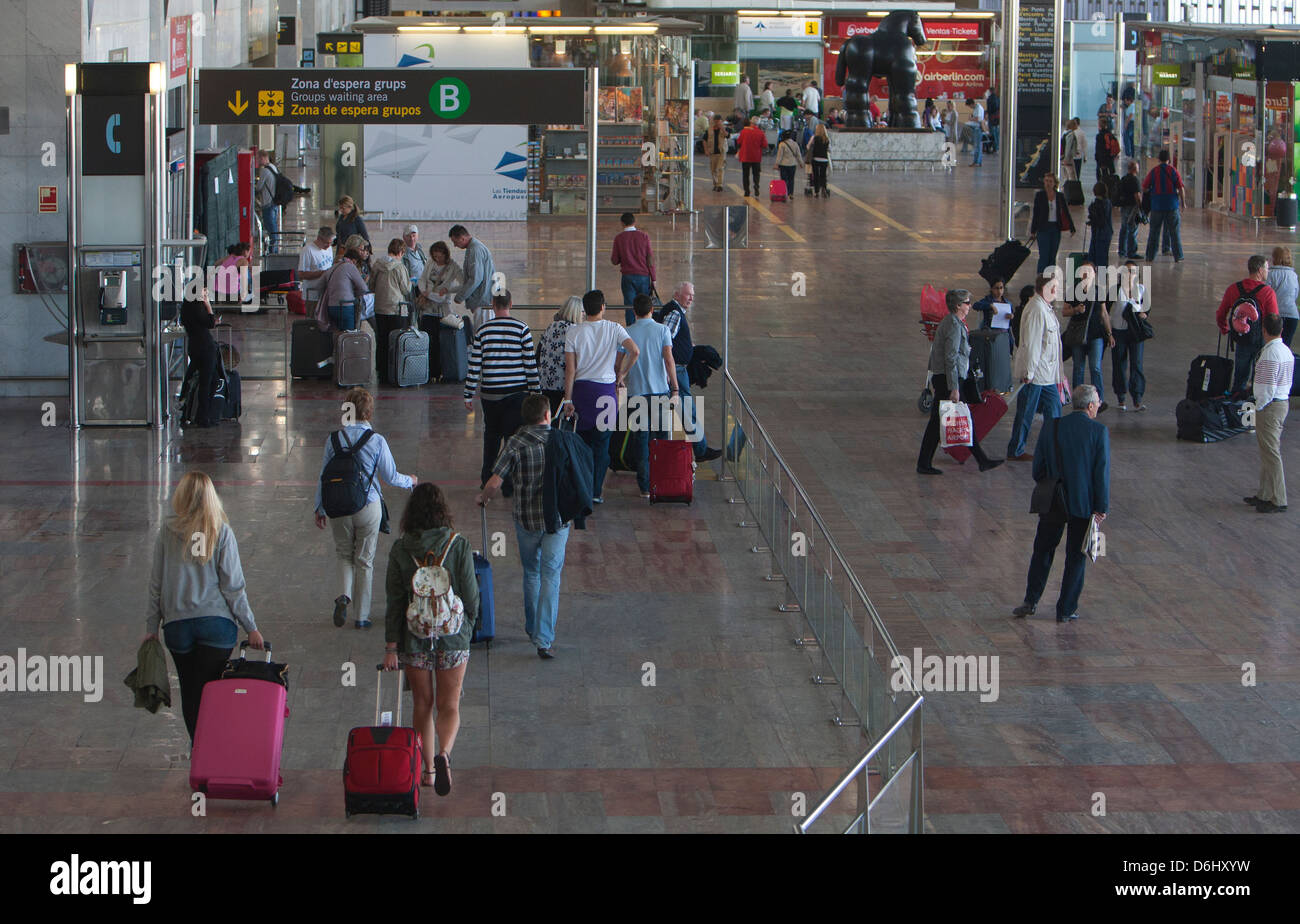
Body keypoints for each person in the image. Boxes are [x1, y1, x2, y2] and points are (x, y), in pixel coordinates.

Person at [146, 471, 263, 742]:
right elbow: (232, 586)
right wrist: (251, 627)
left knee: (190, 692)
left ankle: (198, 752)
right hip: (216, 625)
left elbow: (156, 582)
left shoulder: (167, 530)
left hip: (177, 625)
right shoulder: (220, 531)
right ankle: (216, 753)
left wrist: (151, 627)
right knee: (214, 690)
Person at [382, 482, 478, 794]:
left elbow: (395, 600)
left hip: (414, 639)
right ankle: (444, 754)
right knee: (449, 705)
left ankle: (427, 771)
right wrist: (467, 627)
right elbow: (471, 594)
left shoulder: (400, 549)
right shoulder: (458, 544)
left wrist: (391, 647)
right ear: (443, 511)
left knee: (422, 704)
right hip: (452, 638)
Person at [314, 387, 415, 630]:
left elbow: (322, 476)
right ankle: (361, 617)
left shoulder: (333, 439)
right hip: (368, 506)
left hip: (338, 505)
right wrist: (411, 480)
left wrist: (320, 507)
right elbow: (390, 476)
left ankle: (344, 595)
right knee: (364, 561)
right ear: (369, 411)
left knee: (343, 554)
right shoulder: (376, 440)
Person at [479, 395, 571, 658]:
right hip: (557, 518)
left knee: (531, 571)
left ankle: (532, 628)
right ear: (548, 415)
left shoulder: (516, 443)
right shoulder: (560, 439)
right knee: (551, 574)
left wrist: (483, 498)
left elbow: (495, 482)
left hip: (526, 519)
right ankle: (544, 639)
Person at [1012, 384, 1110, 624]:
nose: (1098, 406)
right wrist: (1101, 507)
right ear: (1089, 406)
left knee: (1043, 550)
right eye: (1097, 402)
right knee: (1076, 556)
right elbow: (1101, 473)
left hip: (1054, 500)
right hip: (1083, 504)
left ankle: (1031, 600)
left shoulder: (1052, 426)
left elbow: (1038, 469)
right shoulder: (1098, 432)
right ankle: (1066, 609)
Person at [562, 290, 640, 504]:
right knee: (602, 444)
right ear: (603, 307)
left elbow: (570, 370)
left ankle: (583, 487)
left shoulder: (573, 332)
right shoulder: (614, 328)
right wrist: (621, 374)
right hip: (605, 392)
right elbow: (635, 351)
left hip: (582, 391)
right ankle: (596, 491)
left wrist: (568, 399)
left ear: (584, 310)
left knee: (583, 443)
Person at [916, 289, 1005, 475]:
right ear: (958, 305)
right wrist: (954, 387)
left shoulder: (955, 323)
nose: (969, 306)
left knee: (945, 420)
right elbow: (951, 357)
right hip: (948, 379)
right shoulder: (954, 326)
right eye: (966, 302)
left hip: (947, 377)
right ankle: (980, 460)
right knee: (953, 419)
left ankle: (979, 459)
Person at [465, 291, 539, 489]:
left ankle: (486, 478)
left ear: (493, 304)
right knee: (513, 439)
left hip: (490, 394)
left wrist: (469, 393)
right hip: (517, 394)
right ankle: (508, 482)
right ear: (511, 304)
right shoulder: (522, 328)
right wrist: (536, 391)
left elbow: (474, 365)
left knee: (491, 436)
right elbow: (530, 364)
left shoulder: (482, 331)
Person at [658, 282, 722, 463]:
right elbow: (665, 339)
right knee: (688, 410)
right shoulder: (675, 313)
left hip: (677, 368)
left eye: (692, 295)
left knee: (688, 410)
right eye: (688, 295)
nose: (691, 298)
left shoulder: (675, 311)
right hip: (676, 370)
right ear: (677, 295)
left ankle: (700, 447)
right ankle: (700, 449)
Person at [624, 293, 679, 498]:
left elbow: (619, 362)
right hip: (660, 392)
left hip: (636, 393)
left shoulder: (627, 332)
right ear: (652, 310)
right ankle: (662, 479)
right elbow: (669, 360)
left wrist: (620, 378)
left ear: (634, 311)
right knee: (661, 438)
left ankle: (645, 486)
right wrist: (675, 387)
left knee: (641, 440)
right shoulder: (662, 330)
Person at [1007, 275, 1065, 461]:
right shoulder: (1037, 309)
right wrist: (1029, 372)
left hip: (1047, 374)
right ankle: (1015, 449)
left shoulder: (1045, 308)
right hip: (1035, 374)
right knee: (1026, 412)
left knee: (1054, 410)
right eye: (1053, 286)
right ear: (1044, 288)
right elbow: (1032, 344)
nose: (1056, 290)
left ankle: (1054, 449)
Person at [1244, 314, 1293, 513]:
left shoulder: (1270, 354)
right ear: (1281, 330)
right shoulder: (1286, 351)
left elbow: (1267, 386)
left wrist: (1258, 406)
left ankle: (1279, 499)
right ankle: (1264, 494)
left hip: (1270, 406)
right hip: (1281, 403)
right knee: (1268, 451)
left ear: (1264, 330)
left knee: (1271, 453)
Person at [1216, 255, 1280, 394]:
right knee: (1259, 376)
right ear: (1260, 270)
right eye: (1266, 268)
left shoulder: (1234, 289)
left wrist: (1224, 328)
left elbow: (1221, 313)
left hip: (1242, 338)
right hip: (1261, 340)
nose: (1267, 272)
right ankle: (1254, 402)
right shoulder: (1268, 292)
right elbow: (1273, 319)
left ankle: (1236, 403)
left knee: (1240, 375)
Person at [1062, 260, 1114, 413]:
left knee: (1095, 367)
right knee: (1078, 367)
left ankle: (1099, 399)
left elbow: (1104, 314)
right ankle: (1078, 401)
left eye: (1089, 272)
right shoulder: (1073, 291)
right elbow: (1065, 311)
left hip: (1095, 335)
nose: (1086, 275)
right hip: (1078, 335)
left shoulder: (1099, 291)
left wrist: (1109, 333)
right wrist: (1076, 310)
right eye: (1083, 272)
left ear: (1094, 274)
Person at [370, 238, 411, 385]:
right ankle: (395, 371)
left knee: (381, 340)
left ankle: (381, 371)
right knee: (396, 341)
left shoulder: (377, 264)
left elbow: (371, 286)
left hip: (380, 307)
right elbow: (406, 289)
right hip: (395, 308)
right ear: (401, 252)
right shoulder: (400, 267)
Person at [180, 287, 222, 428]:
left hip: (194, 347)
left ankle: (188, 409)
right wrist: (208, 304)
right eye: (204, 292)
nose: (206, 294)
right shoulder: (199, 308)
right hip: (205, 348)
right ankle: (202, 417)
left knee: (201, 378)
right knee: (207, 381)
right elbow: (210, 323)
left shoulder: (186, 308)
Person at [1110, 260, 1149, 412]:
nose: (1130, 274)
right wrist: (1108, 333)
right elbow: (1104, 309)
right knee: (1119, 364)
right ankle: (1121, 398)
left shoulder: (1141, 289)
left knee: (1136, 364)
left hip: (1135, 333)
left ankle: (1137, 399)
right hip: (1118, 332)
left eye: (1132, 271)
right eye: (1127, 271)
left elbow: (1147, 308)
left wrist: (1144, 315)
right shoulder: (1115, 290)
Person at [539, 296, 583, 415]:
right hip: (563, 385)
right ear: (576, 312)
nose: (584, 315)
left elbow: (539, 352)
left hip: (545, 382)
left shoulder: (551, 326)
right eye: (582, 312)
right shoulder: (573, 330)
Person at [610, 212, 656, 325]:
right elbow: (650, 259)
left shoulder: (619, 238)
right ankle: (645, 328)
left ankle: (631, 331)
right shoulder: (644, 236)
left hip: (628, 277)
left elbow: (614, 260)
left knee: (630, 306)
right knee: (644, 306)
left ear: (622, 223)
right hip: (644, 277)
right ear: (634, 222)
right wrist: (653, 278)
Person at [449, 224, 496, 331]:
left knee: (483, 334)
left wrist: (460, 297)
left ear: (462, 238)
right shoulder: (474, 248)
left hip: (483, 301)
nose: (455, 245)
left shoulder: (475, 250)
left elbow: (475, 279)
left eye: (455, 242)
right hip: (483, 300)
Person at [1142, 150, 1185, 262]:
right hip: (1172, 206)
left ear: (1159, 159)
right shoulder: (1173, 171)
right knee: (1174, 232)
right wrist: (1183, 203)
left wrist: (1153, 192)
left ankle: (1150, 256)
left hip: (1156, 206)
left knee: (1154, 232)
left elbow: (1145, 187)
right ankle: (1178, 256)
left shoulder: (1154, 171)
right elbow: (1180, 188)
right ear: (1168, 159)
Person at [1030, 173, 1076, 275]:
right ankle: (1041, 276)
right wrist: (1033, 231)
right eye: (1046, 181)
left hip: (1055, 228)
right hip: (1043, 229)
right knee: (1044, 255)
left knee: (1052, 255)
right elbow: (1036, 214)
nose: (1048, 183)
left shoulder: (1059, 196)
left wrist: (1072, 227)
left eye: (1050, 181)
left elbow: (1066, 211)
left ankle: (1050, 276)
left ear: (1055, 183)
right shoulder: (1040, 196)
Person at [317, 247, 369, 334]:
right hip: (346, 306)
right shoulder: (350, 266)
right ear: (354, 261)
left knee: (336, 334)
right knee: (348, 336)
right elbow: (363, 288)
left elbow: (319, 285)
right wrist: (355, 293)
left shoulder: (333, 267)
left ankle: (336, 348)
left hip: (331, 306)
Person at [417, 240, 464, 318]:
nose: (438, 259)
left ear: (446, 255)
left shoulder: (453, 266)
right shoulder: (430, 263)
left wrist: (449, 290)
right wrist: (423, 291)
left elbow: (464, 284)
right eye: (435, 257)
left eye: (440, 257)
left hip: (443, 308)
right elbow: (422, 279)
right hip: (428, 307)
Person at [297, 226, 337, 315]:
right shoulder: (307, 250)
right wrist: (322, 273)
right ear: (319, 239)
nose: (328, 246)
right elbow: (301, 274)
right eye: (326, 243)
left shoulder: (329, 248)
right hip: (312, 294)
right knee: (312, 320)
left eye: (331, 243)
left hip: (326, 292)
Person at [1266, 246, 1299, 348]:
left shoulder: (1270, 274)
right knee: (1285, 347)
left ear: (1275, 258)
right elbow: (1295, 294)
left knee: (1271, 346)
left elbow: (1266, 295)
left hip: (1275, 315)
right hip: (1292, 315)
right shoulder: (1293, 275)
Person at [1115, 161, 1142, 258]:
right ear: (1134, 169)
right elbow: (1137, 195)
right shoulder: (1135, 180)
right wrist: (1140, 207)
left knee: (1124, 229)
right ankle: (1131, 252)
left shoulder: (1124, 179)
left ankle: (1122, 251)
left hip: (1124, 207)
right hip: (1132, 207)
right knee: (1132, 229)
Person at [255, 151, 280, 255]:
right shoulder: (274, 168)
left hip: (268, 204)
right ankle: (274, 250)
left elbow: (259, 187)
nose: (257, 161)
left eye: (258, 158)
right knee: (274, 227)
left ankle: (272, 253)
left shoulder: (265, 171)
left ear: (264, 158)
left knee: (271, 229)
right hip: (274, 203)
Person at [736, 117, 766, 198]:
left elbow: (739, 142)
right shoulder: (761, 132)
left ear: (751, 122)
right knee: (756, 174)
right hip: (756, 157)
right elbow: (764, 145)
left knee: (745, 174)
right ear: (758, 124)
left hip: (745, 156)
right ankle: (756, 187)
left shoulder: (744, 131)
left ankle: (747, 191)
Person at [1086, 181, 1113, 269]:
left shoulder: (1097, 204)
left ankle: (1093, 277)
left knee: (1094, 257)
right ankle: (1102, 280)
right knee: (1102, 258)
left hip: (1099, 234)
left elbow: (1100, 220)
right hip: (1106, 233)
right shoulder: (1107, 202)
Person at [704, 115, 728, 192]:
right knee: (713, 169)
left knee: (720, 168)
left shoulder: (725, 128)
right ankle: (715, 183)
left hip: (721, 152)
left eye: (718, 121)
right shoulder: (709, 130)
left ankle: (720, 185)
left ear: (721, 121)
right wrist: (706, 150)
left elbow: (727, 135)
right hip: (712, 152)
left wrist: (722, 129)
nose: (717, 123)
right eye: (715, 121)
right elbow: (704, 140)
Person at [806, 123, 831, 198]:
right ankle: (824, 188)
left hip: (815, 158)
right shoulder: (827, 139)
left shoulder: (814, 138)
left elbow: (808, 147)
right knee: (823, 175)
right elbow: (830, 149)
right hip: (824, 159)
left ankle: (816, 191)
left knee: (816, 175)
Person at [401, 225, 426, 299]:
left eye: (414, 236)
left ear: (417, 236)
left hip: (424, 287)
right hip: (413, 290)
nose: (412, 239)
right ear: (404, 237)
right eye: (408, 236)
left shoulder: (420, 250)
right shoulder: (402, 254)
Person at [775, 129, 802, 197]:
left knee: (783, 180)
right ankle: (791, 193)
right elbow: (798, 155)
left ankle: (784, 193)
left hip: (783, 164)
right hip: (792, 164)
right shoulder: (795, 144)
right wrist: (801, 163)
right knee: (791, 179)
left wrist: (777, 164)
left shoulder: (782, 144)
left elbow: (779, 155)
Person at [965, 98, 985, 166]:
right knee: (976, 146)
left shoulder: (979, 108)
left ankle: (977, 162)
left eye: (969, 106)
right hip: (975, 128)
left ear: (971, 104)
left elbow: (978, 119)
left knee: (977, 146)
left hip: (978, 128)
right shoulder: (976, 108)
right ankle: (976, 161)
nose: (970, 108)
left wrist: (971, 119)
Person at [1072, 118, 1088, 183]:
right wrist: (1085, 156)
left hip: (1071, 155)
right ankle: (1076, 183)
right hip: (1079, 155)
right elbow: (1084, 145)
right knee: (1077, 172)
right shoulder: (1082, 132)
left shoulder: (1070, 132)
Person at [986, 87, 1000, 152]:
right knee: (997, 132)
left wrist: (988, 113)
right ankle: (997, 147)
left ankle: (994, 146)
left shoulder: (989, 99)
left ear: (990, 91)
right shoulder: (998, 98)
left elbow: (989, 109)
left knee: (992, 133)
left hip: (991, 117)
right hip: (997, 117)